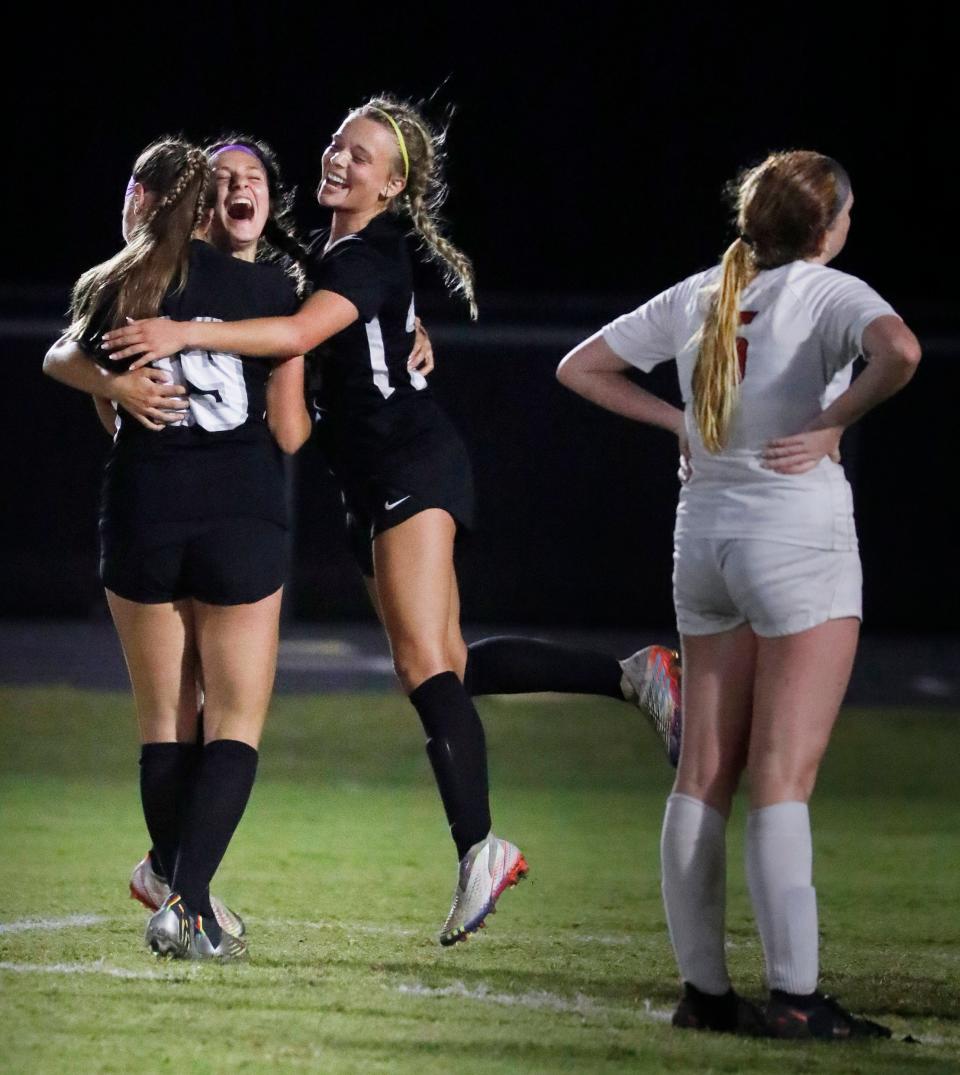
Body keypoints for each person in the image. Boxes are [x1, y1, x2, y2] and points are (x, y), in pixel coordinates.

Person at [102, 97, 683, 946]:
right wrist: (395, 329)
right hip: (371, 482)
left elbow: (304, 326)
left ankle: (480, 845)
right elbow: (307, 366)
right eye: (338, 140)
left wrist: (190, 328)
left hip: (409, 464)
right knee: (444, 662)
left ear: (396, 183)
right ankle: (632, 674)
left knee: (420, 665)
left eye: (364, 154)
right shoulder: (327, 253)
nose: (339, 156)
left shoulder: (364, 257)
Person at [557, 150, 920, 1039]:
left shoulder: (701, 292)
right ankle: (796, 995)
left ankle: (706, 994)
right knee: (782, 778)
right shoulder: (829, 292)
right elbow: (900, 352)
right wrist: (833, 423)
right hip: (795, 535)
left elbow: (580, 366)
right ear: (826, 225)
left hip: (703, 539)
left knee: (703, 774)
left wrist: (678, 420)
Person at [44, 135, 313, 959]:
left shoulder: (124, 283)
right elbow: (292, 431)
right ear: (211, 208)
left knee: (164, 721)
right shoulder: (272, 287)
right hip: (240, 513)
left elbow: (63, 360)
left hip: (143, 511)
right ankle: (190, 903)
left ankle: (179, 890)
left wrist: (120, 387)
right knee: (233, 720)